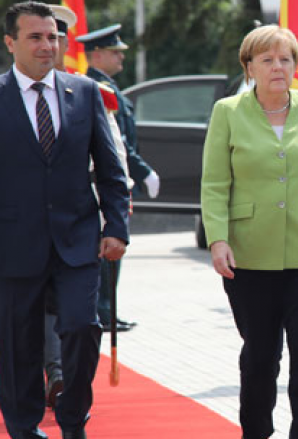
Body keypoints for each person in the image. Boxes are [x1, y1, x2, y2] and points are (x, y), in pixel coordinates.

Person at [200, 25, 298, 439]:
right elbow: (215, 184)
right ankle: (256, 431)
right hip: (249, 256)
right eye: (267, 59)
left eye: (286, 59)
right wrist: (218, 239)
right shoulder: (228, 112)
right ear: (249, 66)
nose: (278, 67)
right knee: (261, 356)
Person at [0, 2, 130, 438]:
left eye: (53, 37)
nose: (47, 45)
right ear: (10, 42)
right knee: (18, 347)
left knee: (81, 327)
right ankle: (23, 427)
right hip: (13, 245)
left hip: (78, 241)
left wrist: (116, 228)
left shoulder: (85, 93)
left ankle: (73, 418)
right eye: (35, 37)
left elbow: (110, 170)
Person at [76, 24, 158, 332]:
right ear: (96, 55)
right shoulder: (94, 88)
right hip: (105, 182)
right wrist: (142, 170)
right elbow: (115, 143)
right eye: (114, 52)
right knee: (107, 249)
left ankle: (108, 310)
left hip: (118, 179)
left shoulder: (106, 86)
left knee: (114, 249)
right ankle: (102, 311)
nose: (121, 58)